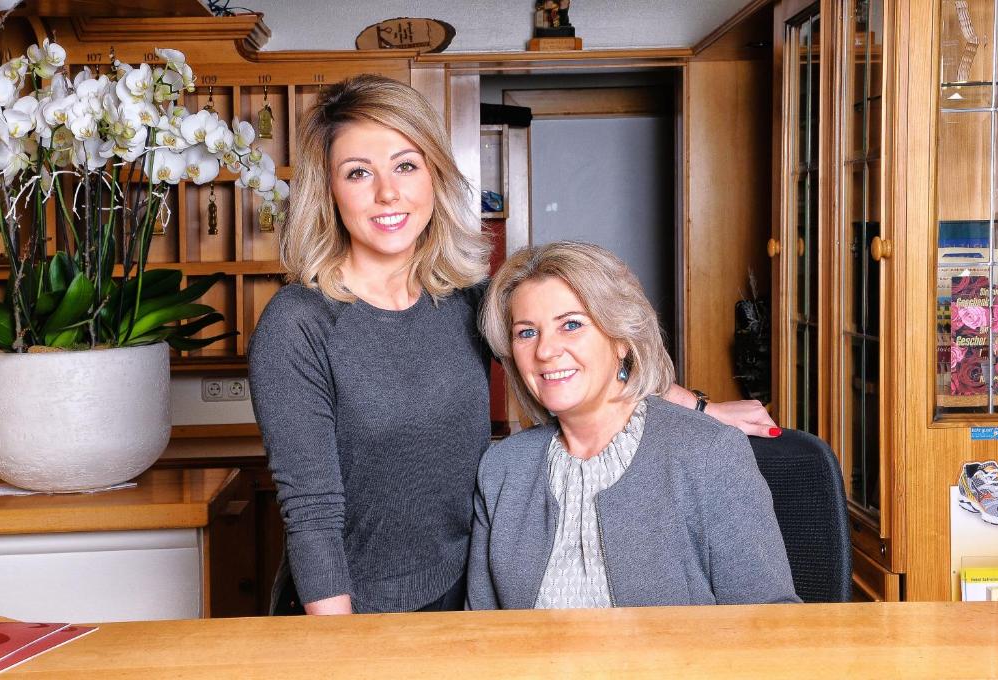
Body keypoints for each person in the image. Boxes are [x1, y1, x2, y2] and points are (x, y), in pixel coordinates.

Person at [248, 74, 780, 616]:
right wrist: (338, 654)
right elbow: (310, 513)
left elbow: (586, 344)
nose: (388, 192)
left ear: (433, 174)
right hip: (349, 608)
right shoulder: (298, 324)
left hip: (464, 593)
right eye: (358, 173)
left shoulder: (466, 298)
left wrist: (700, 408)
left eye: (406, 165)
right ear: (329, 189)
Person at [467, 241, 799, 609]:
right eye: (526, 332)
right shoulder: (502, 470)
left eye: (571, 325)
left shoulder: (709, 454)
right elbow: (480, 636)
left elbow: (771, 624)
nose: (545, 351)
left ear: (621, 338)